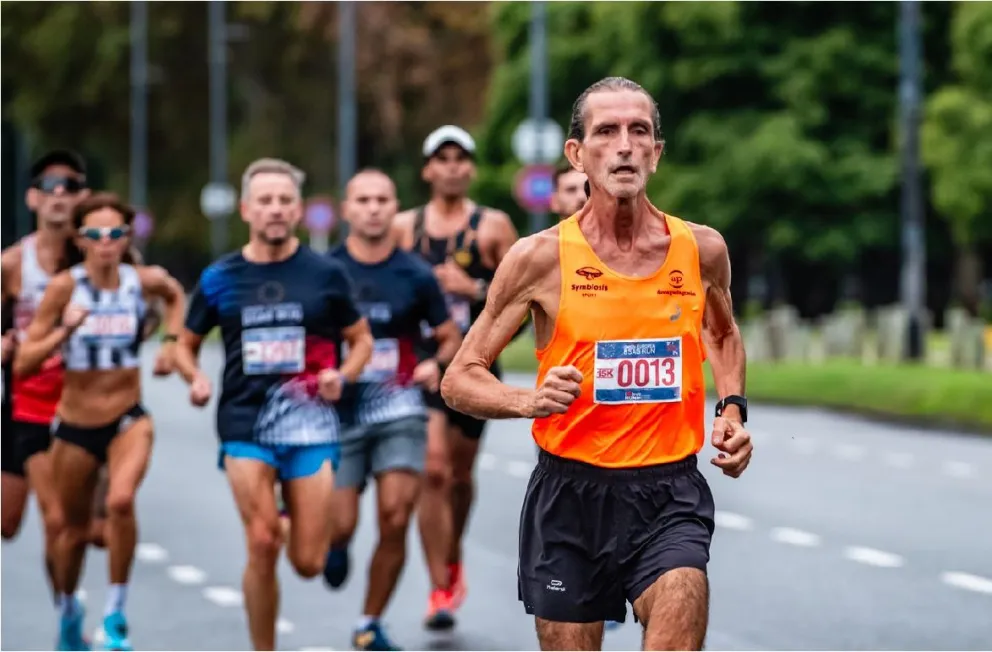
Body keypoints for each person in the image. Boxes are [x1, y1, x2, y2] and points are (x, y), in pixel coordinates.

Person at [439, 77, 754, 651]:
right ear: (577, 155)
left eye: (640, 131)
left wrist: (732, 407)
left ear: (657, 153)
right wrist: (528, 401)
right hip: (570, 498)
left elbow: (723, 332)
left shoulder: (701, 249)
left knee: (683, 606)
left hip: (670, 493)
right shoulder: (539, 259)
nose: (625, 145)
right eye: (606, 131)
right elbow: (459, 378)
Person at [172, 158, 374, 652]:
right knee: (262, 542)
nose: (276, 209)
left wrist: (342, 377)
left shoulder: (326, 274)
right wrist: (194, 377)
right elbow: (184, 342)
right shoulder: (220, 277)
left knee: (307, 561)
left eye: (285, 200)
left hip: (311, 425)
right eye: (265, 200)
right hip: (246, 424)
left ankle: (292, 515)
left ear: (299, 209)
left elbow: (361, 339)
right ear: (246, 209)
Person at [14, 192, 186, 652]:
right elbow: (24, 363)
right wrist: (63, 331)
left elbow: (175, 294)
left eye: (115, 233)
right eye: (95, 234)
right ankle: (70, 609)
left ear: (126, 237)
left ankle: (116, 613)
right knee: (70, 534)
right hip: (74, 424)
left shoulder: (142, 280)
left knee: (122, 501)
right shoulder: (64, 288)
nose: (106, 242)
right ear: (79, 239)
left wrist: (171, 342)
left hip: (129, 416)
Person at [324, 169, 462, 650]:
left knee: (396, 515)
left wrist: (435, 365)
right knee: (340, 523)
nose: (373, 208)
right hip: (340, 414)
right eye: (363, 199)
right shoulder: (327, 271)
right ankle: (336, 545)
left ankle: (369, 623)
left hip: (401, 409)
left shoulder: (415, 274)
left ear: (394, 206)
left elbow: (449, 338)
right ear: (347, 209)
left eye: (383, 199)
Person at [392, 125, 519, 629]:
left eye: (460, 158)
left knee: (460, 477)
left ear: (470, 168)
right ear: (427, 169)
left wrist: (473, 287)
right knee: (434, 471)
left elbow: (519, 300)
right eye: (441, 158)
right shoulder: (406, 228)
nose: (451, 166)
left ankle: (451, 553)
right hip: (423, 366)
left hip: (477, 365)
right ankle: (439, 587)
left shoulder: (493, 227)